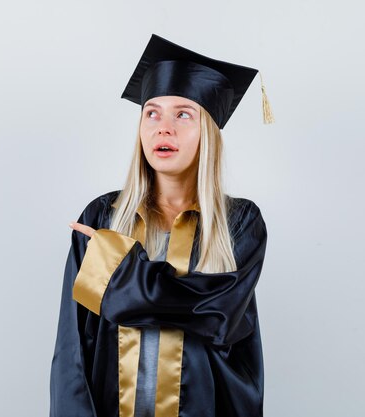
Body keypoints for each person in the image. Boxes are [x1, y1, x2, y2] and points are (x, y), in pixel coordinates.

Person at [50, 34, 272, 417]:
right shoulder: (103, 217)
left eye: (183, 114)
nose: (162, 127)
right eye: (151, 112)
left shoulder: (240, 223)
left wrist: (120, 278)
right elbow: (73, 348)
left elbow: (216, 313)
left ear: (209, 132)